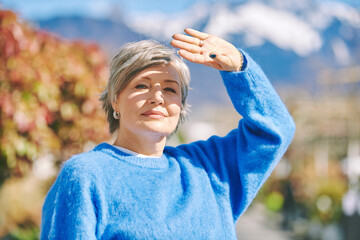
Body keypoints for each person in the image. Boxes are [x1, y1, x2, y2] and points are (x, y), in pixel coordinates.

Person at [40, 28, 295, 239]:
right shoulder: (85, 176)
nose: (158, 97)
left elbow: (275, 128)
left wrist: (239, 65)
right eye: (142, 85)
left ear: (181, 107)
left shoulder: (209, 168)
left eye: (170, 89)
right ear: (115, 101)